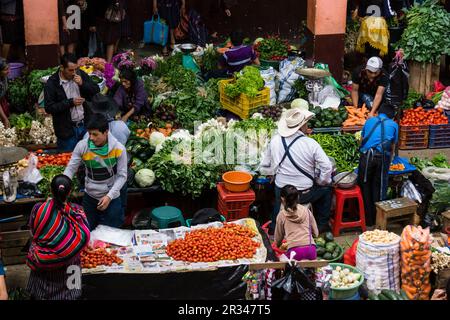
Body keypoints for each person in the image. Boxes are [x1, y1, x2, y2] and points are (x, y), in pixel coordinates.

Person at [260, 108, 333, 235]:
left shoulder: (275, 140)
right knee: (327, 189)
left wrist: (271, 175)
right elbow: (327, 167)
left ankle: (274, 227)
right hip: (303, 194)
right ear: (303, 125)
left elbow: (266, 165)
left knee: (279, 195)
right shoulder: (311, 143)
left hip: (282, 190)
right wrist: (322, 181)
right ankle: (321, 225)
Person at [26, 175, 90, 300]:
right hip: (71, 268)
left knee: (43, 293)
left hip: (44, 265)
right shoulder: (78, 212)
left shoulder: (39, 209)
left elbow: (33, 233)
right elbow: (84, 237)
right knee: (73, 295)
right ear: (70, 192)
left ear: (51, 190)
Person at [64, 113, 128, 231]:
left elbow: (122, 176)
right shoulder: (82, 146)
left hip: (111, 197)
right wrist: (62, 184)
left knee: (112, 232)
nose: (91, 138)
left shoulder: (119, 149)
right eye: (89, 134)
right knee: (88, 230)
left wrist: (109, 197)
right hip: (90, 196)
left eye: (95, 134)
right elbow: (71, 168)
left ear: (106, 132)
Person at [44, 53, 100, 152]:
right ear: (62, 68)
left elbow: (96, 90)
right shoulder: (52, 83)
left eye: (75, 69)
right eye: (70, 70)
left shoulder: (80, 74)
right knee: (68, 160)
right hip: (66, 132)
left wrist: (83, 84)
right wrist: (70, 102)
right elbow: (49, 108)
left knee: (89, 159)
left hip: (84, 127)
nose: (74, 72)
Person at [357, 103, 398, 226]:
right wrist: (389, 161)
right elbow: (392, 146)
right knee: (379, 187)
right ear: (392, 117)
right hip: (382, 158)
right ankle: (378, 219)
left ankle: (367, 220)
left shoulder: (369, 121)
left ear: (378, 113)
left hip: (366, 157)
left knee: (365, 185)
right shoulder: (394, 125)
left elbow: (362, 139)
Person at [275, 185, 319, 261]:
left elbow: (278, 238)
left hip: (294, 252)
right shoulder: (307, 211)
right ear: (298, 197)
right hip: (311, 250)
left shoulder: (281, 215)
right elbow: (316, 233)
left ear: (282, 198)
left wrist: (278, 245)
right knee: (310, 272)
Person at [0, 58, 10, 128]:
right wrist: (4, 118)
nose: (8, 71)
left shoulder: (4, 76)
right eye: (5, 70)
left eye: (8, 68)